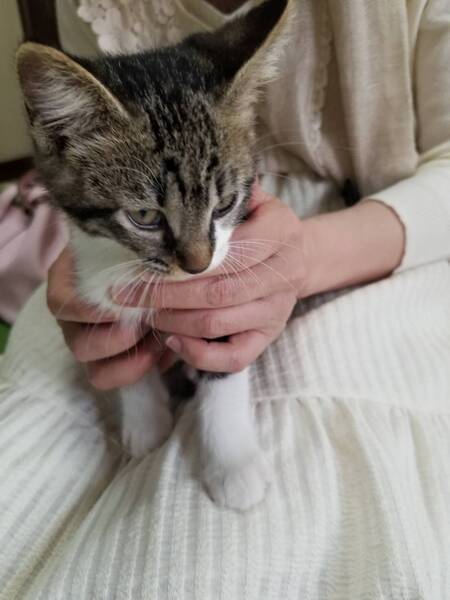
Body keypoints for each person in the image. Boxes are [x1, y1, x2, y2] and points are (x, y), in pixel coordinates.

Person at [0, 0, 449, 598]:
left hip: (371, 237)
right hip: (112, 251)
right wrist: (99, 277)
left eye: (220, 205)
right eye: (148, 215)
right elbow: (91, 180)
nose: (196, 257)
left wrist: (299, 258)